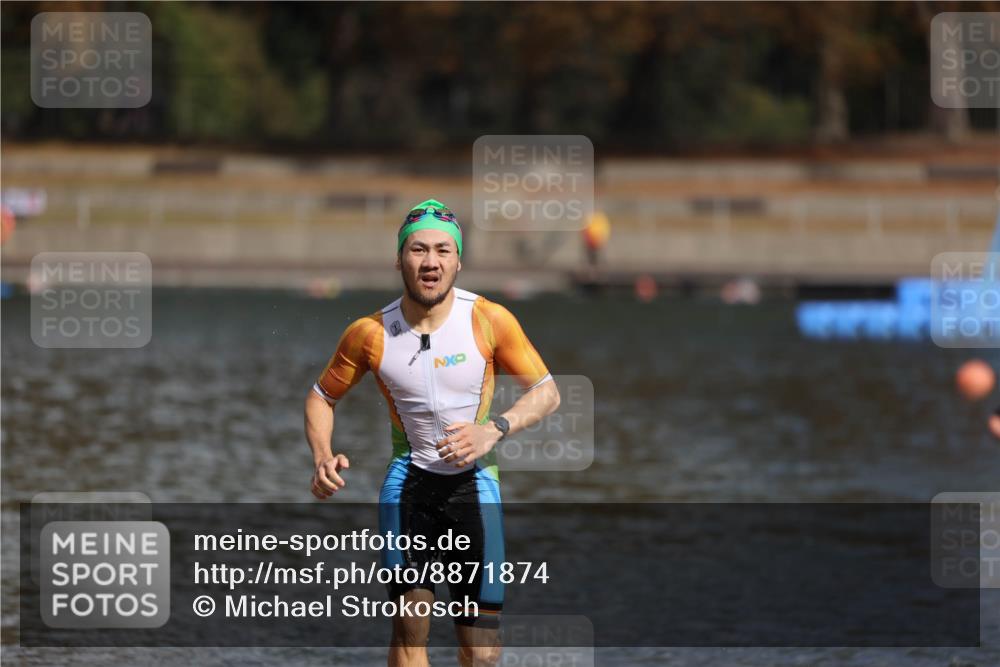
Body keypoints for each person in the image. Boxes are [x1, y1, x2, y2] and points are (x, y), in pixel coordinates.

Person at [304, 199, 560, 667]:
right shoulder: (370, 334)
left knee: (480, 652)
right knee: (409, 633)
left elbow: (547, 393)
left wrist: (494, 429)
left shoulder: (488, 320)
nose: (431, 261)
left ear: (458, 260)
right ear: (400, 259)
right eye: (418, 249)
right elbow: (322, 396)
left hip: (475, 488)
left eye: (443, 250)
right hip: (409, 488)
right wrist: (322, 454)